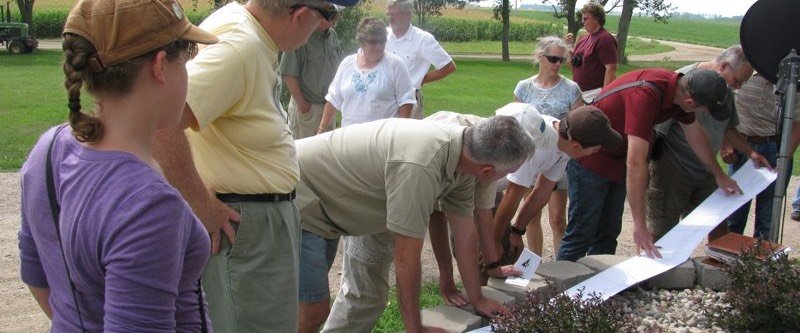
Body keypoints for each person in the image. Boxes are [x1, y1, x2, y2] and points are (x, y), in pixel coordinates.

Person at [151, 0, 357, 332]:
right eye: (324, 16)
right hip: (247, 224)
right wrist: (199, 203)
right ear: (299, 14)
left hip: (258, 219)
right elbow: (161, 121)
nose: (323, 27)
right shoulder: (240, 46)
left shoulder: (248, 31)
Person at [18, 0, 218, 330]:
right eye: (185, 60)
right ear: (159, 66)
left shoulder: (47, 149)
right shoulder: (148, 206)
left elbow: (39, 279)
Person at [296, 116, 534, 333]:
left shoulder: (462, 161)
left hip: (329, 212)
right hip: (299, 200)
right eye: (509, 173)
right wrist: (416, 330)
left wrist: (478, 298)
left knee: (312, 308)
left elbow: (465, 238)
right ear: (487, 171)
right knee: (311, 311)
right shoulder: (421, 165)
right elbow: (406, 260)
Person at [557, 68, 741, 262]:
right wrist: (640, 225)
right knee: (581, 233)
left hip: (618, 160)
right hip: (591, 157)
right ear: (690, 102)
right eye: (704, 110)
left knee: (608, 233)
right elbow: (636, 162)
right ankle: (556, 288)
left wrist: (718, 174)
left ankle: (596, 288)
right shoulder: (646, 95)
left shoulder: (679, 93)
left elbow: (694, 135)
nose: (703, 114)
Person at [647, 45, 770, 241]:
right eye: (737, 81)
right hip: (673, 173)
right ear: (724, 66)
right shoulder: (682, 81)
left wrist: (751, 153)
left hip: (706, 172)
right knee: (663, 234)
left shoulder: (724, 89)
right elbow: (656, 132)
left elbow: (729, 128)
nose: (738, 87)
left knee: (717, 226)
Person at [492, 103, 622, 264]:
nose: (595, 153)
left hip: (491, 190)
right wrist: (494, 241)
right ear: (577, 146)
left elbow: (542, 191)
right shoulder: (538, 145)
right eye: (595, 149)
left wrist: (517, 230)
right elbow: (513, 194)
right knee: (487, 253)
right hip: (476, 186)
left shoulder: (565, 141)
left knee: (503, 253)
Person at [513, 36, 583, 257]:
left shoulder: (571, 89)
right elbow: (518, 124)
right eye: (553, 58)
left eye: (561, 60)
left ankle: (559, 268)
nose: (557, 64)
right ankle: (534, 266)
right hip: (531, 158)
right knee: (531, 216)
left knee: (557, 219)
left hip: (559, 160)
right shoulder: (523, 87)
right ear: (540, 57)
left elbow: (579, 125)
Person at [723, 72, 800, 238]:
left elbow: (797, 123)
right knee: (733, 212)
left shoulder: (791, 79)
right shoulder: (742, 72)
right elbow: (721, 112)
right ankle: (727, 260)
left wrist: (784, 158)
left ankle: (760, 261)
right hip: (741, 146)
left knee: (768, 216)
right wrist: (726, 144)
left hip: (775, 147)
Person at [318, 17, 416, 132]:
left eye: (382, 41)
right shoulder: (347, 64)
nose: (379, 46)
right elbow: (334, 98)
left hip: (382, 139)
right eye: (373, 42)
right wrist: (322, 128)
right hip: (349, 137)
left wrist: (399, 132)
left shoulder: (395, 65)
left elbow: (406, 101)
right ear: (361, 42)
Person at [385, 0, 456, 119]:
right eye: (389, 14)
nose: (391, 18)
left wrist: (422, 80)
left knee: (407, 136)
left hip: (409, 102)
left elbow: (449, 66)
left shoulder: (423, 39)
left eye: (395, 14)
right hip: (383, 100)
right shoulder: (383, 35)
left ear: (408, 15)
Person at [281, 6, 344, 139]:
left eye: (336, 14)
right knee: (303, 155)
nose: (335, 18)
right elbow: (288, 74)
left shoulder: (332, 35)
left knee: (326, 154)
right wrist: (303, 105)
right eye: (331, 14)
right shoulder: (300, 34)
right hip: (308, 109)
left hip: (328, 107)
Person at [565, 1, 618, 92]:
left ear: (596, 19)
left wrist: (604, 96)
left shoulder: (605, 39)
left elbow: (611, 68)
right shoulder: (583, 38)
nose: (583, 22)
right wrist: (567, 47)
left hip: (595, 94)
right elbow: (572, 67)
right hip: (580, 93)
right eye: (582, 19)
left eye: (585, 19)